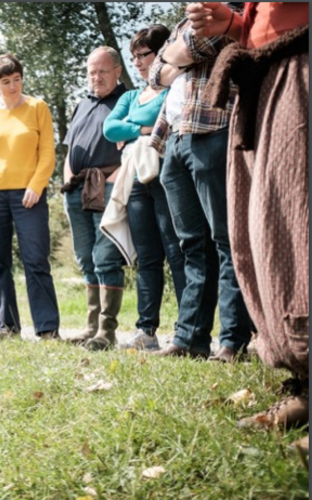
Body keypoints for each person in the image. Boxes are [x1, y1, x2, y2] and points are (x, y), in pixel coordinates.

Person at [187, 1, 309, 451]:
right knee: (263, 236)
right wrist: (238, 26)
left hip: (301, 59)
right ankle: (304, 383)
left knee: (300, 226)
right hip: (266, 70)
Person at [147, 9, 252, 361]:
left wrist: (174, 57)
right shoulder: (182, 22)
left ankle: (232, 341)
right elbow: (153, 74)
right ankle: (190, 338)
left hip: (215, 131)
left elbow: (191, 45)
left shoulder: (224, 13)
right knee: (192, 245)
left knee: (226, 240)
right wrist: (176, 58)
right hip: (175, 139)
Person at [101, 25, 186, 351]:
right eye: (134, 56)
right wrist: (145, 127)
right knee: (148, 258)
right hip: (135, 180)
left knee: (176, 251)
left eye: (144, 55)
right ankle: (146, 331)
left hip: (166, 176)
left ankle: (185, 329)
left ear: (162, 53)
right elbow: (110, 128)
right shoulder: (130, 96)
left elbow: (169, 118)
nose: (137, 61)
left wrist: (132, 130)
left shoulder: (172, 89)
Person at [0, 54, 60, 339]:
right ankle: (7, 328)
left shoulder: (37, 107)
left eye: (16, 79)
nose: (13, 86)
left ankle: (47, 329)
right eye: (6, 82)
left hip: (28, 195)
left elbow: (47, 154)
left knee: (36, 260)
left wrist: (36, 184)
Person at [61, 46, 127, 351]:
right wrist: (65, 175)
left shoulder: (127, 100)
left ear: (117, 71)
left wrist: (115, 179)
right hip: (75, 187)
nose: (96, 77)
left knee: (105, 257)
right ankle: (90, 328)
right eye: (91, 72)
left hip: (108, 184)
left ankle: (106, 332)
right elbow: (70, 144)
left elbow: (135, 145)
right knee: (85, 258)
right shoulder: (83, 103)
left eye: (102, 71)